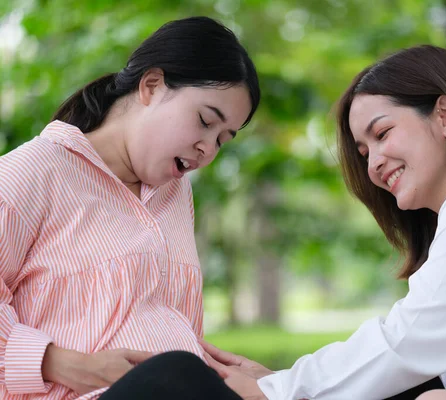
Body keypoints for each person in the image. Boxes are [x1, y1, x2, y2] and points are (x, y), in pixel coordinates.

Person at [201, 45, 446, 399]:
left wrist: (277, 391)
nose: (373, 164)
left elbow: (408, 340)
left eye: (383, 133)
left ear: (444, 115)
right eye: (362, 151)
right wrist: (286, 382)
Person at [0, 16, 259, 399]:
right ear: (151, 86)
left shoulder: (175, 195)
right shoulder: (32, 172)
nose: (208, 150)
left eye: (223, 140)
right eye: (205, 121)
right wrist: (60, 362)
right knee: (177, 372)